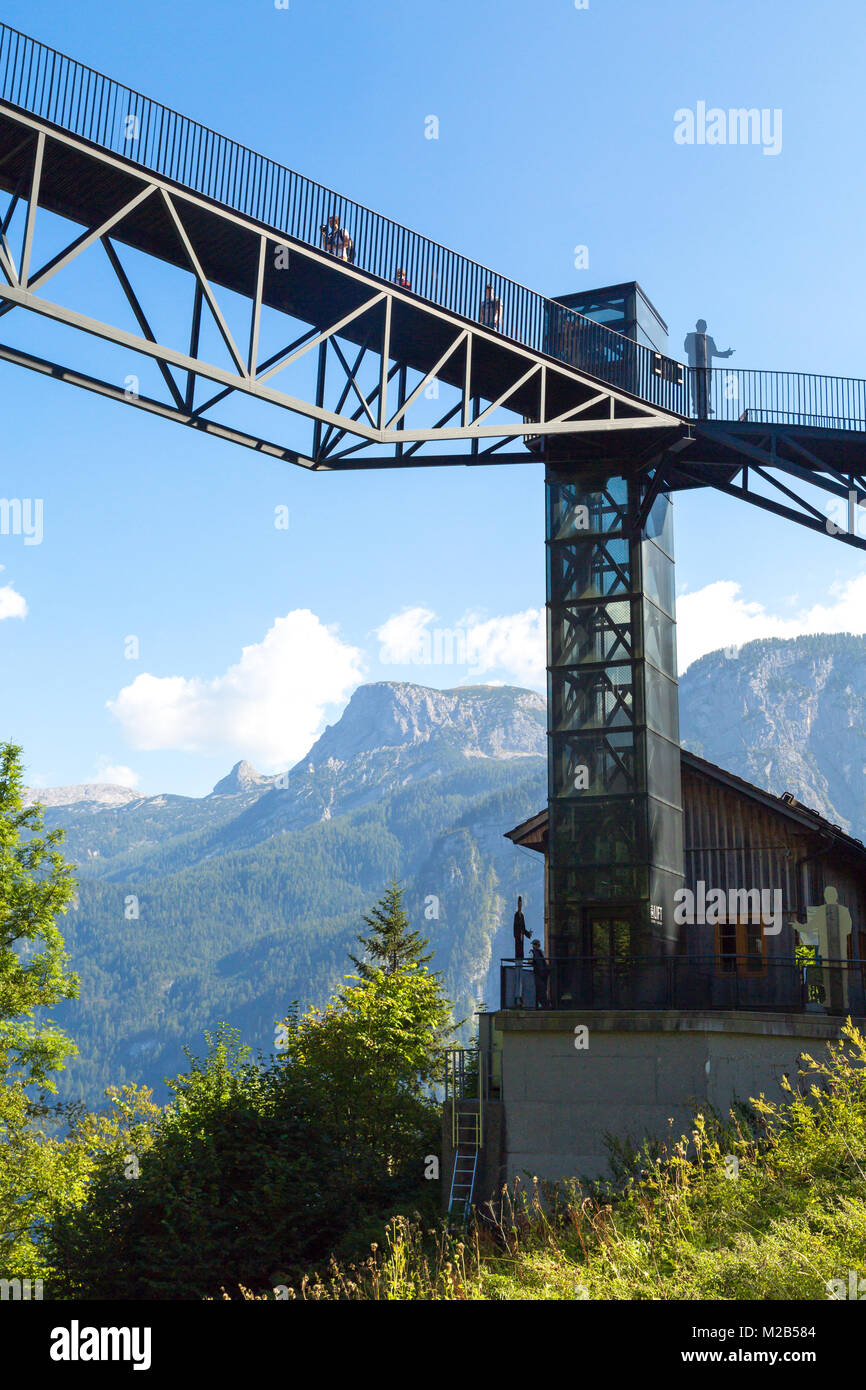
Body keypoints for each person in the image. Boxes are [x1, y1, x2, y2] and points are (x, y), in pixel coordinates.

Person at [683, 318, 735, 419]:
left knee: (706, 387)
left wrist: (725, 353)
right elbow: (687, 349)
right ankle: (697, 406)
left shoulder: (709, 339)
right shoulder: (690, 337)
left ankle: (705, 405)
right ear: (699, 326)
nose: (704, 328)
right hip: (696, 365)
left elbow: (714, 352)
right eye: (703, 326)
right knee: (695, 386)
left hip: (706, 366)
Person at [513, 895, 531, 1005]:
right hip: (518, 941)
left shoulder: (522, 915)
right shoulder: (516, 915)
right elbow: (515, 928)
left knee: (520, 958)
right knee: (518, 961)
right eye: (519, 904)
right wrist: (518, 935)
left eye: (521, 904)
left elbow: (523, 928)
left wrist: (528, 934)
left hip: (521, 940)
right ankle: (517, 996)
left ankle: (519, 996)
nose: (520, 906)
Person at [531, 939, 550, 1010]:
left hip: (538, 973)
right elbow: (546, 961)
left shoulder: (533, 952)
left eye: (533, 944)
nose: (532, 946)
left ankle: (541, 1004)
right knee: (543, 989)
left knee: (539, 989)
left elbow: (530, 960)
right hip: (544, 973)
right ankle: (544, 1004)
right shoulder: (542, 952)